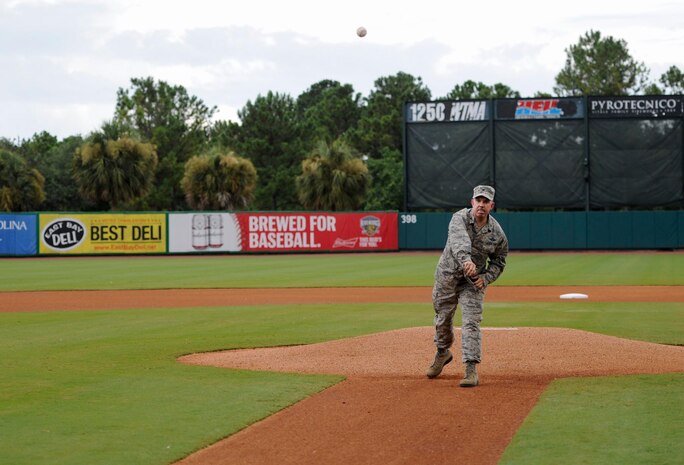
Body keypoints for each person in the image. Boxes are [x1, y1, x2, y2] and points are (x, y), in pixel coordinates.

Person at [426, 185, 508, 387]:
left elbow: (500, 260)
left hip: (472, 282)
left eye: (485, 201)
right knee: (443, 318)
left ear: (491, 205)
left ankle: (471, 369)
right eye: (478, 200)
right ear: (472, 202)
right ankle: (443, 352)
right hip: (448, 276)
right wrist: (466, 260)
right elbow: (458, 241)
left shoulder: (497, 233)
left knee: (471, 322)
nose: (481, 204)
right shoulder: (459, 218)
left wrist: (486, 278)